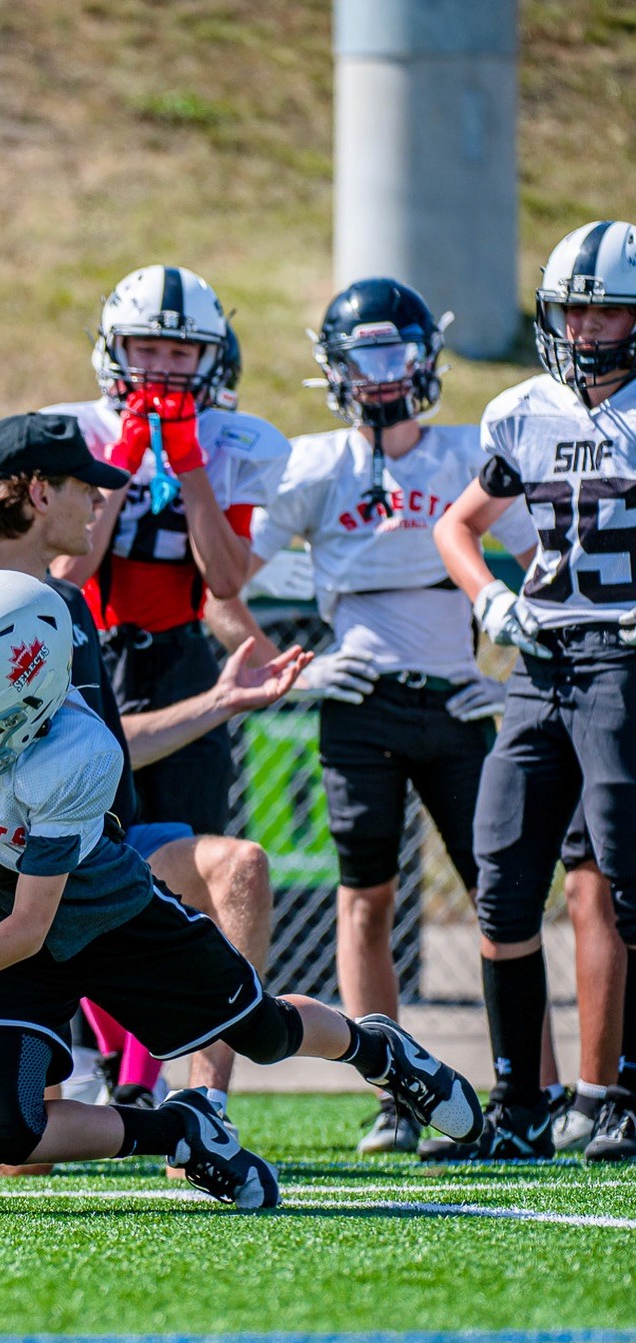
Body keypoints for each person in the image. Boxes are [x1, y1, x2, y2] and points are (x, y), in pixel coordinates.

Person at [0, 570, 485, 1207]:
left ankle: (381, 1050)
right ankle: (177, 1132)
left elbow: (37, 925)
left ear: (24, 713)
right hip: (2, 936)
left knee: (265, 1034)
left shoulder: (73, 751)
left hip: (108, 924)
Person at [231, 279, 540, 1155]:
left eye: (394, 354)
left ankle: (538, 1090)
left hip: (457, 702)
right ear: (334, 370)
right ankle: (397, 1094)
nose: (380, 377)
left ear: (426, 359)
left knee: (501, 900)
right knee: (365, 900)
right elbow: (221, 585)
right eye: (363, 358)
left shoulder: (464, 455)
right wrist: (294, 667)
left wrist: (515, 679)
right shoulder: (315, 465)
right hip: (358, 706)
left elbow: (549, 566)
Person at [0, 413, 276, 1127]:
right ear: (38, 493)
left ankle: (214, 1098)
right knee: (2, 1136)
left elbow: (104, 751)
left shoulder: (65, 604)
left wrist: (219, 702)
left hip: (105, 869)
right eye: (87, 488)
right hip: (16, 891)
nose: (100, 506)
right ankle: (164, 1119)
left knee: (243, 882)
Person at [432, 220, 636, 1162]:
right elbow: (458, 526)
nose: (589, 330)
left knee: (627, 887)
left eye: (609, 311)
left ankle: (621, 1094)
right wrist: (490, 596)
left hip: (626, 668)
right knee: (504, 887)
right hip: (542, 666)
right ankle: (521, 1103)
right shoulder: (522, 409)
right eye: (575, 311)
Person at [44, 264, 289, 836]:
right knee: (93, 844)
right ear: (114, 350)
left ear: (211, 359)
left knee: (194, 844)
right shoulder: (74, 430)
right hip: (89, 654)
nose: (160, 367)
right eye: (145, 348)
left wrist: (191, 467)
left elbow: (224, 581)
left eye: (181, 353)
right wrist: (121, 465)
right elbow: (66, 577)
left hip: (185, 661)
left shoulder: (234, 441)